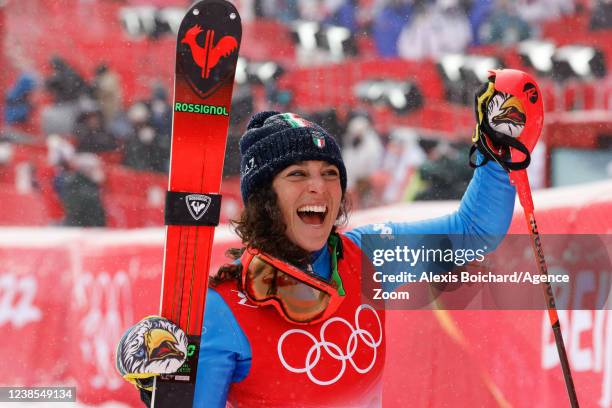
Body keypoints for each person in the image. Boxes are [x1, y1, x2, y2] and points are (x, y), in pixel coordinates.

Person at [116, 72, 531, 405]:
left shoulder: (367, 256)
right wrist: (166, 391)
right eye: (297, 175)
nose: (319, 187)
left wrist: (496, 152)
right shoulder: (223, 310)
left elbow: (471, 233)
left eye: (330, 173)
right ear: (263, 198)